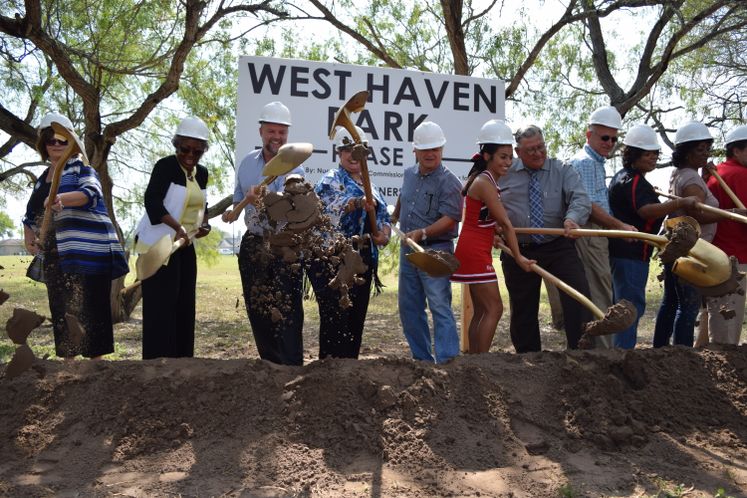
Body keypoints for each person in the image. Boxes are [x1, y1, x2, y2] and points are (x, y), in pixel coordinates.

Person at [23, 112, 128, 360]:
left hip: (88, 252)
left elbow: (91, 194)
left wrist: (61, 199)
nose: (57, 145)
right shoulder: (41, 181)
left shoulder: (82, 168)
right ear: (43, 144)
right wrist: (29, 235)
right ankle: (68, 370)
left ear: (71, 144)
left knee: (92, 310)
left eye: (63, 140)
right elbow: (30, 214)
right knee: (62, 309)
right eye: (51, 140)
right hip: (56, 255)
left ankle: (96, 369)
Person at [498, 124, 592, 353]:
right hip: (517, 248)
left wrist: (572, 219)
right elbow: (483, 202)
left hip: (558, 245)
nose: (538, 153)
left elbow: (580, 199)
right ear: (518, 152)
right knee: (523, 308)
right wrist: (493, 229)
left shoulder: (563, 170)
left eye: (541, 147)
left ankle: (582, 355)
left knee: (578, 295)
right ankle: (529, 362)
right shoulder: (503, 173)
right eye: (530, 150)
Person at [227, 101, 305, 365]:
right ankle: (269, 363)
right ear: (261, 131)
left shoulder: (297, 167)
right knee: (258, 304)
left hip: (284, 244)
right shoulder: (247, 164)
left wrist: (267, 198)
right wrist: (238, 207)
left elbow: (295, 210)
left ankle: (291, 366)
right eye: (272, 131)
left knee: (288, 305)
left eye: (282, 132)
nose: (277, 137)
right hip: (254, 242)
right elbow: (238, 199)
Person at [608, 124, 698, 349]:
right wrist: (679, 203)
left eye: (655, 153)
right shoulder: (632, 180)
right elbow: (644, 210)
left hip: (630, 253)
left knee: (624, 305)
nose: (653, 158)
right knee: (629, 306)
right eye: (648, 154)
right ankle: (623, 354)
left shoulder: (629, 178)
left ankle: (619, 351)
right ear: (634, 154)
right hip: (629, 253)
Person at [451, 119, 534, 353]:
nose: (508, 162)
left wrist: (491, 233)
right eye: (503, 157)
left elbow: (483, 220)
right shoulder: (485, 182)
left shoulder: (487, 181)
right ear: (487, 156)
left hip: (476, 247)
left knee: (482, 311)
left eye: (510, 157)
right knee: (495, 309)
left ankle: (475, 362)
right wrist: (519, 257)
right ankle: (481, 362)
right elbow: (506, 223)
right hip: (474, 251)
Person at [311, 126, 392, 358]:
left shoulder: (373, 187)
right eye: (346, 150)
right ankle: (329, 370)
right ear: (339, 153)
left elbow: (385, 219)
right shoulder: (330, 179)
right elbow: (329, 207)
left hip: (363, 261)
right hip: (336, 260)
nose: (352, 155)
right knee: (335, 319)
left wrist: (383, 234)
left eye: (357, 150)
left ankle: (349, 372)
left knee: (356, 320)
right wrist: (357, 202)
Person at [135, 117, 211, 359]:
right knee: (160, 305)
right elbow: (152, 202)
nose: (190, 155)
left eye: (197, 151)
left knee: (184, 302)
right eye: (185, 149)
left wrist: (204, 224)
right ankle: (157, 362)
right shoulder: (166, 166)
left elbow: (201, 204)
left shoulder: (202, 173)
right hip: (158, 246)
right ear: (176, 145)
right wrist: (176, 226)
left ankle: (182, 362)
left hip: (184, 246)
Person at [393, 121, 462, 363]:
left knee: (439, 306)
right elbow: (404, 197)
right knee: (409, 308)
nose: (431, 154)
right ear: (416, 151)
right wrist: (393, 216)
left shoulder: (450, 182)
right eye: (425, 149)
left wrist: (422, 233)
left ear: (442, 149)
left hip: (435, 250)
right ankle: (422, 360)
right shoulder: (409, 174)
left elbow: (451, 219)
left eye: (436, 149)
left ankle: (447, 361)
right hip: (408, 251)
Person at [568, 105, 636, 349]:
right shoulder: (586, 162)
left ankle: (594, 350)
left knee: (598, 294)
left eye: (614, 138)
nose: (609, 142)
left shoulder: (595, 162)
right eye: (604, 137)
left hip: (595, 234)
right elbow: (589, 206)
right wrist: (620, 227)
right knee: (600, 296)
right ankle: (603, 355)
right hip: (590, 235)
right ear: (589, 136)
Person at [653, 121, 722, 348]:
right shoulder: (691, 179)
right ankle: (683, 356)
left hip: (676, 246)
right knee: (688, 306)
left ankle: (660, 350)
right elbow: (699, 215)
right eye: (700, 150)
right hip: (692, 250)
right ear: (686, 152)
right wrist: (732, 213)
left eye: (707, 149)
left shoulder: (680, 174)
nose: (705, 154)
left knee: (671, 302)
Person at [700, 124, 747, 345]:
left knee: (712, 311)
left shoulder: (716, 173)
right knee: (729, 315)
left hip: (713, 254)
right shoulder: (739, 175)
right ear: (736, 150)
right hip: (735, 256)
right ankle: (724, 362)